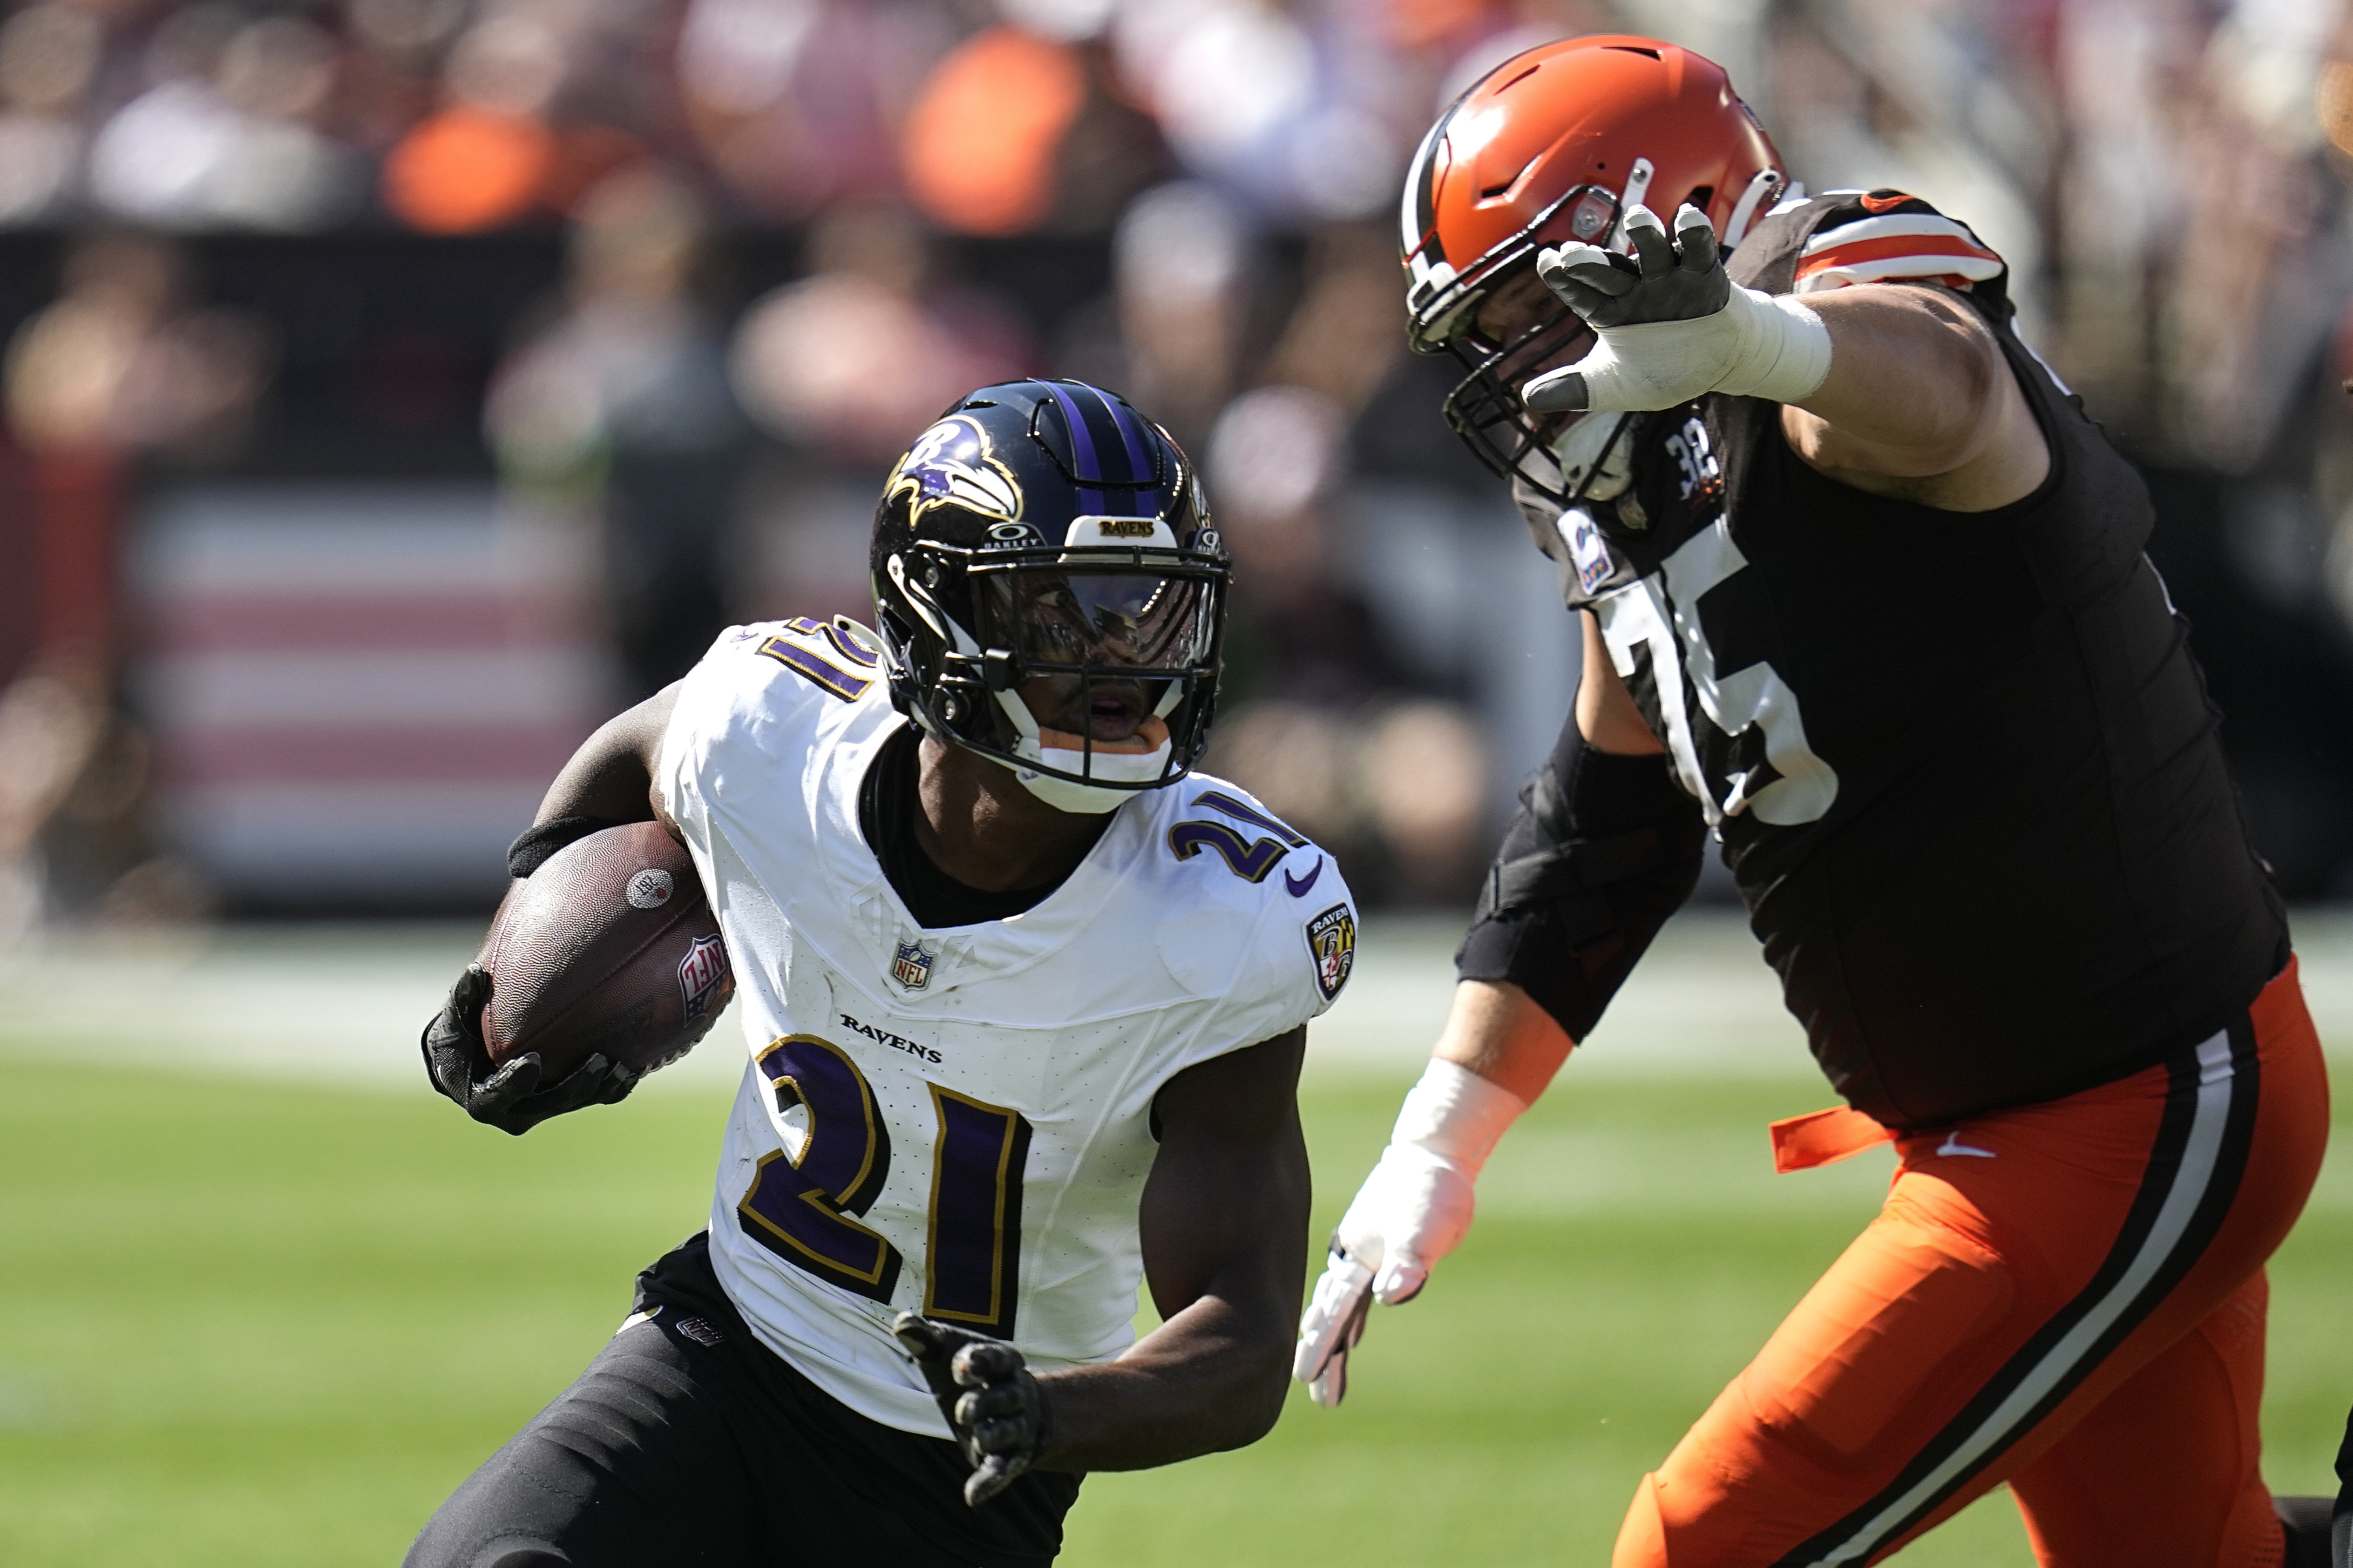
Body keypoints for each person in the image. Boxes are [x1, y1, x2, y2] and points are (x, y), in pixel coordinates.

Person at [1294, 34, 2331, 1568]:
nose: (1508, 363)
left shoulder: (1852, 298)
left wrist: (1745, 338)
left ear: (1680, 231)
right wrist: (1441, 1136)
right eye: (1482, 326)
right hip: (2007, 1104)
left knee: (1703, 1542)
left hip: (2131, 1096)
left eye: (1527, 307)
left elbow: (1940, 392)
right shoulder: (1625, 450)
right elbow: (1614, 805)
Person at [410, 378, 1356, 1567]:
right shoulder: (770, 731)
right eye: (1070, 617)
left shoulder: (1219, 918)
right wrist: (524, 955)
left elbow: (1245, 1338)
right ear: (934, 616)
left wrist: (1058, 1409)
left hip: (954, 1478)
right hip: (730, 1348)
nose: (1128, 668)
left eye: (1156, 615)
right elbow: (640, 747)